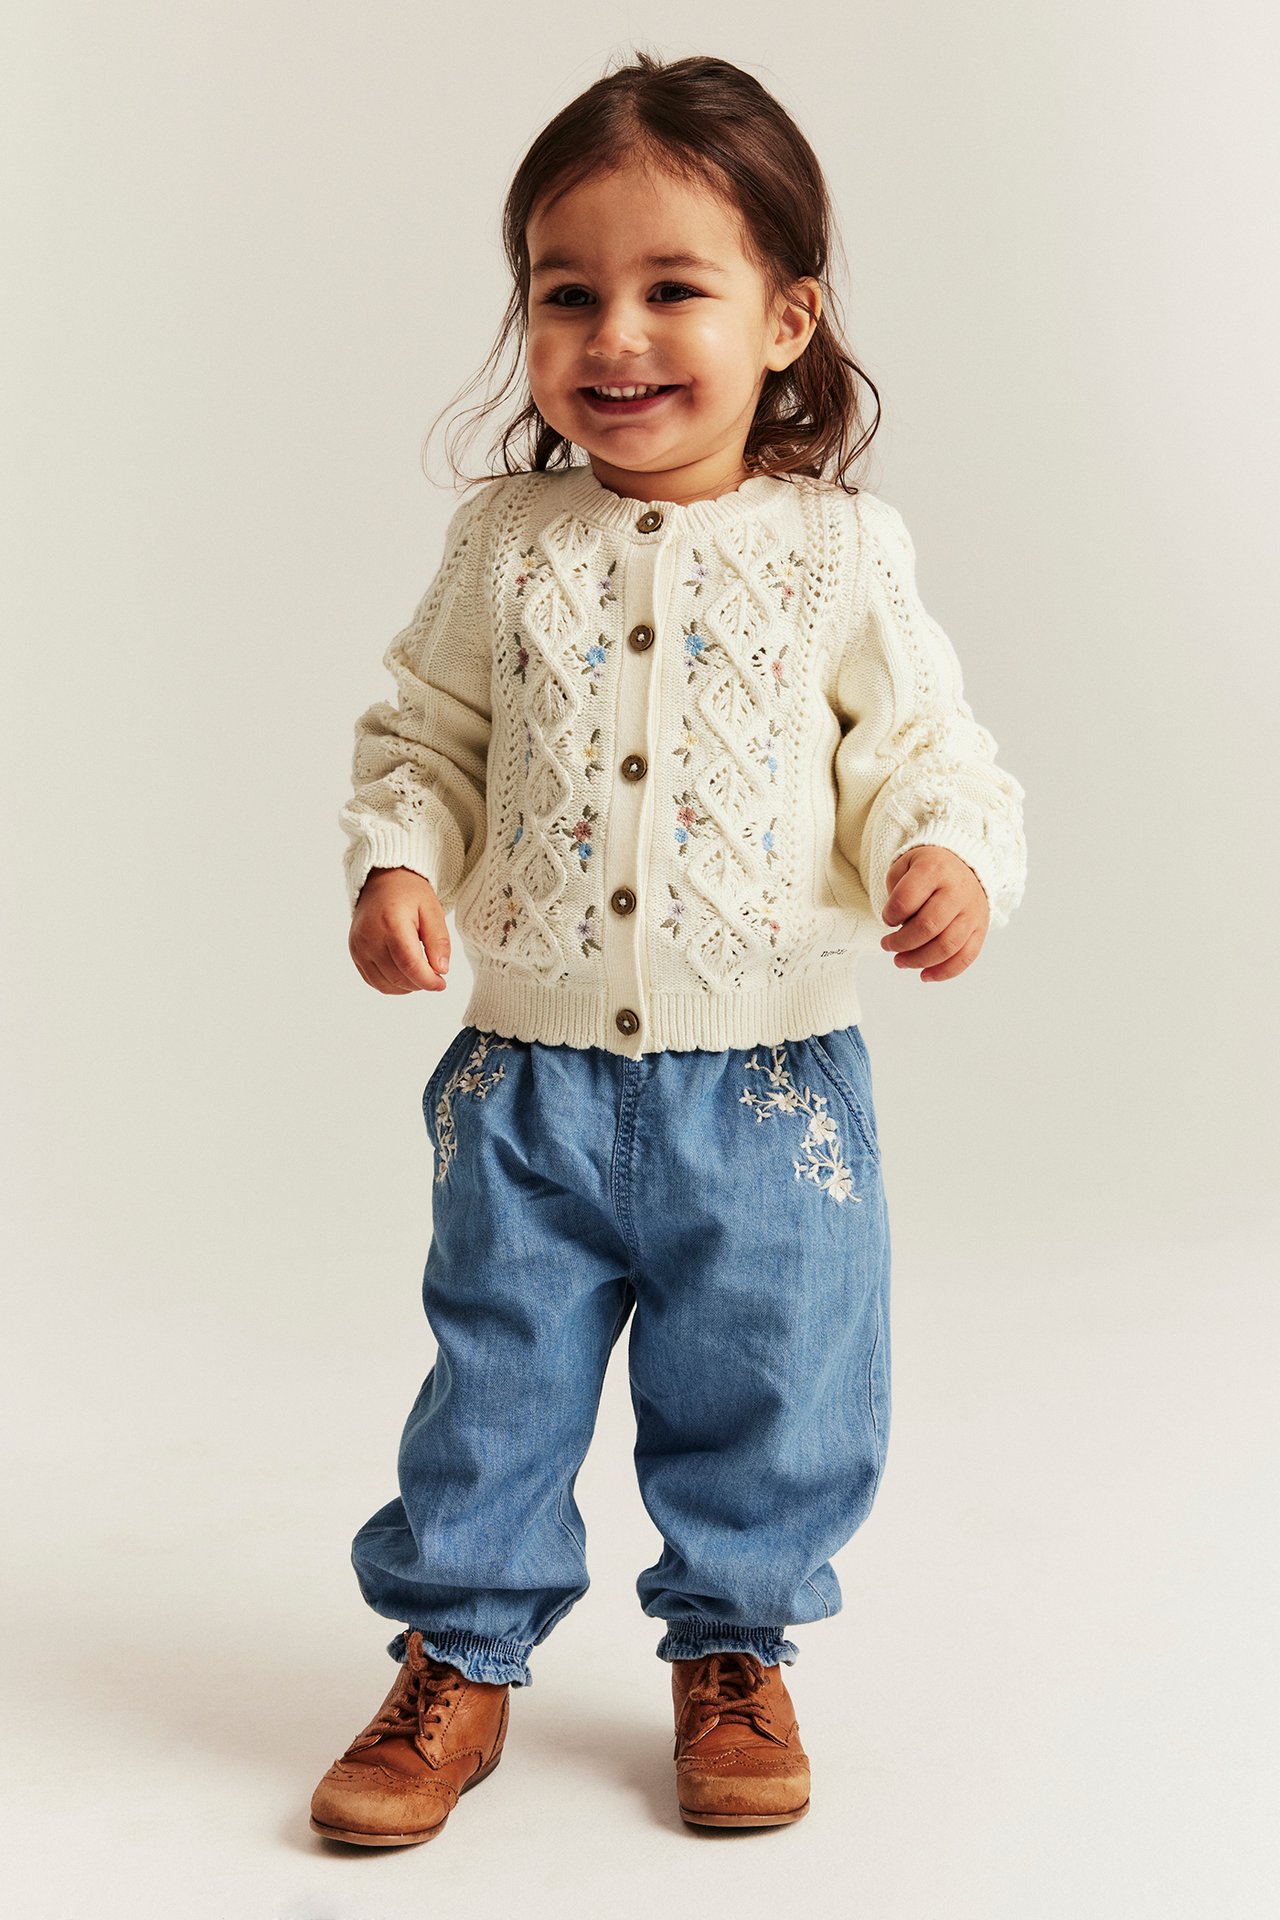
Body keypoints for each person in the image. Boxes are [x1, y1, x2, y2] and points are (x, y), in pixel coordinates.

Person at [310, 49, 1028, 1848]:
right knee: (496, 1373)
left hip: (771, 1079)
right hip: (526, 1080)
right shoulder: (503, 542)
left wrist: (941, 847)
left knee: (777, 1377)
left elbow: (929, 749)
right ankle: (458, 1654)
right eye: (568, 295)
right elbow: (425, 738)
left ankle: (734, 1643)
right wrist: (404, 861)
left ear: (788, 316)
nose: (613, 336)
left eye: (672, 289)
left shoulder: (839, 552)